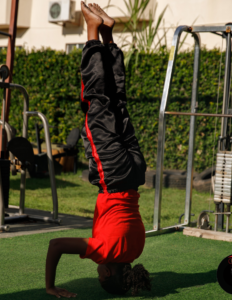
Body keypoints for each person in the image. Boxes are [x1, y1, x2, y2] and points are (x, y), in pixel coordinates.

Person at [45, 2, 150, 298]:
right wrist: (51, 286)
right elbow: (56, 247)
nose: (97, 272)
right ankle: (92, 29)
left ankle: (107, 36)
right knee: (97, 102)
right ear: (106, 273)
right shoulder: (106, 253)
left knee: (118, 104)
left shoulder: (136, 249)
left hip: (135, 175)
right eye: (100, 277)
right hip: (114, 175)